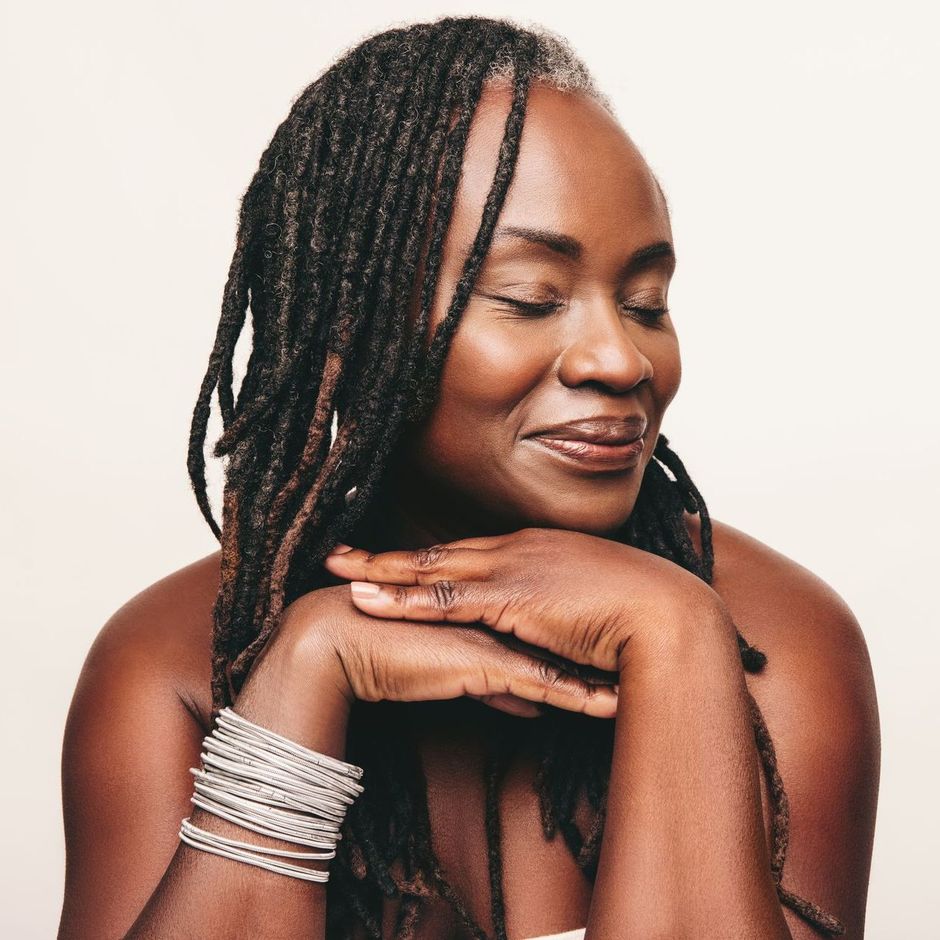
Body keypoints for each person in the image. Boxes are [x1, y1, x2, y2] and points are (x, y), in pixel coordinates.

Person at [57, 14, 880, 940]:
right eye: (532, 299)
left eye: (647, 301)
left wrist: (676, 634)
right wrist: (302, 674)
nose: (621, 358)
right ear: (356, 326)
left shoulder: (779, 646)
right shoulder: (169, 670)